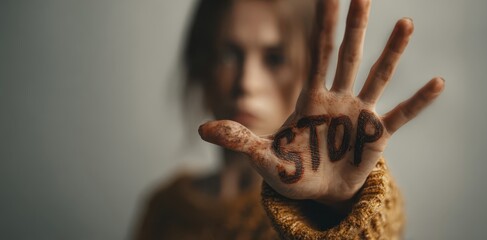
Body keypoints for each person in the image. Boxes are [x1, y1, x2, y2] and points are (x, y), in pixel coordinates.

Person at [134, 0, 445, 239]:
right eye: (229, 55)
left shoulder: (318, 214)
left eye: (275, 59)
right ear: (202, 66)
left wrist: (340, 205)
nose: (247, 82)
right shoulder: (165, 208)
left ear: (307, 71)